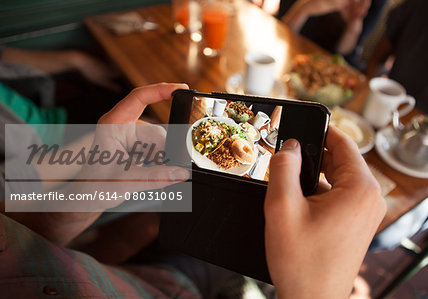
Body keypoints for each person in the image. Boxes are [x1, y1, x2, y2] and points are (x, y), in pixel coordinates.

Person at [0, 83, 386, 297]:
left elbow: (19, 243)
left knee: (206, 249)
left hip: (145, 281)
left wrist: (81, 197)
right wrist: (319, 293)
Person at [365, 0, 428, 129]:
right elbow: (376, 59)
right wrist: (371, 96)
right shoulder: (418, 6)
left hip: (426, 126)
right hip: (387, 105)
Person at [280, 0, 372, 55]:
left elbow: (342, 54)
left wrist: (352, 28)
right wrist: (305, 9)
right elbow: (281, 34)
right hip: (289, 52)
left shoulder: (358, 6)